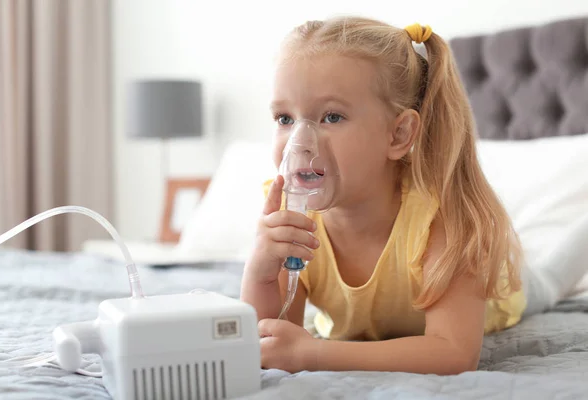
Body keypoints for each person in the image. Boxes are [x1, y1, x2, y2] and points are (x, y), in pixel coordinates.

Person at [240, 16, 588, 375]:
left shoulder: (441, 218)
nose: (300, 142)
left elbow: (453, 352)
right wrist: (260, 273)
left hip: (500, 293)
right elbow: (273, 339)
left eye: (331, 116)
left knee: (551, 278)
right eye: (284, 118)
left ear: (398, 134)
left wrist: (316, 355)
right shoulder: (290, 216)